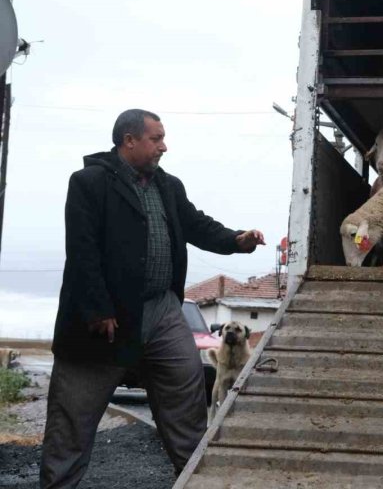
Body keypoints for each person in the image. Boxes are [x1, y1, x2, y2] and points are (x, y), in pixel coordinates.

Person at [40, 109, 266, 488]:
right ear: (129, 140)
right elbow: (82, 250)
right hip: (107, 315)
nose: (164, 146)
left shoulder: (168, 186)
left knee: (186, 384)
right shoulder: (89, 182)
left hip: (162, 309)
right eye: (156, 138)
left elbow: (197, 225)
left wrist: (236, 240)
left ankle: (195, 479)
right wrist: (97, 308)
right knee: (74, 413)